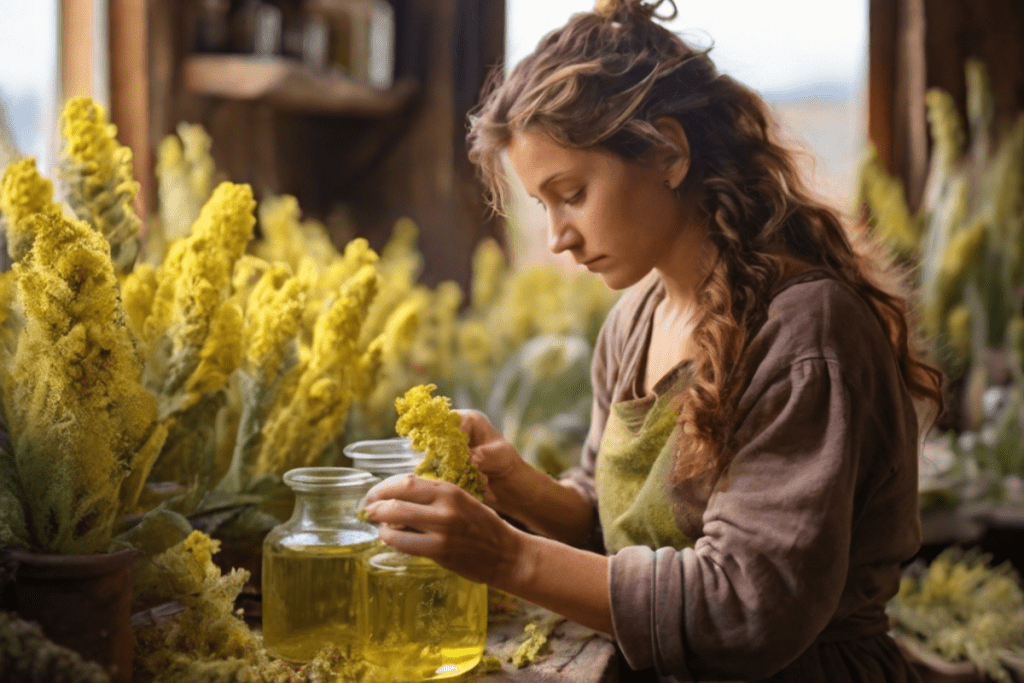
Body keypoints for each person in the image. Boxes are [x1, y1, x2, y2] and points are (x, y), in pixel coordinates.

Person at [361, 0, 945, 680]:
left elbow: (743, 609)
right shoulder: (634, 323)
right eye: (541, 206)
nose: (557, 237)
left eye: (572, 192)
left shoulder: (804, 335)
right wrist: (518, 485)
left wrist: (509, 556)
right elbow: (625, 533)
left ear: (668, 152)